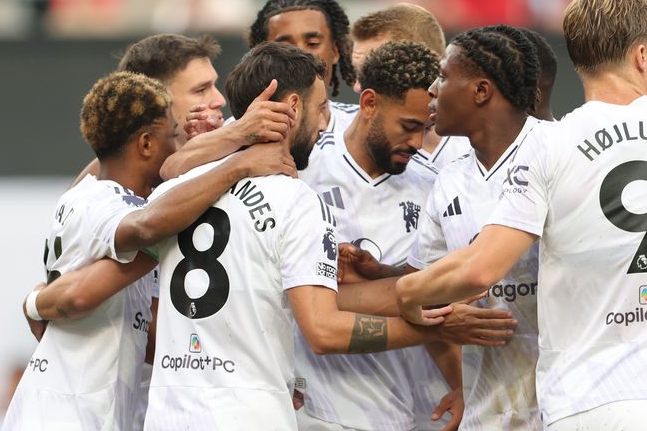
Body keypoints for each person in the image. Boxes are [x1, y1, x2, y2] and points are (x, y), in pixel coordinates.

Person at [395, 0, 647, 431]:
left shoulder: (548, 148)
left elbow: (480, 268)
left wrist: (407, 292)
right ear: (641, 54)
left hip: (578, 402)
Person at [140, 42, 512, 431]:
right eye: (320, 109)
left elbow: (143, 226)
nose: (323, 125)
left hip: (169, 412)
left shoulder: (175, 194)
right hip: (249, 413)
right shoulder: (296, 201)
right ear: (294, 109)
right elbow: (322, 329)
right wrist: (431, 326)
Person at [5, 71, 287, 431]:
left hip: (71, 405)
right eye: (173, 136)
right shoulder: (105, 201)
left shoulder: (87, 195)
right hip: (69, 413)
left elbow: (144, 327)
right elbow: (146, 228)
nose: (179, 147)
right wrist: (238, 164)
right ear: (146, 145)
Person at [295, 40, 459, 431]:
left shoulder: (436, 189)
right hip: (320, 412)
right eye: (408, 127)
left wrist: (460, 382)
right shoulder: (302, 172)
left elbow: (442, 300)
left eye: (426, 128)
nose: (418, 143)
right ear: (369, 103)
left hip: (417, 411)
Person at [410, 24, 544, 430]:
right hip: (487, 413)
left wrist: (404, 295)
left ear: (481, 90)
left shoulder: (557, 152)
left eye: (443, 77)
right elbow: (425, 288)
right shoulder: (449, 179)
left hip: (564, 408)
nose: (432, 90)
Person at [75, 33, 294, 183]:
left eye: (214, 85)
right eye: (200, 90)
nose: (219, 100)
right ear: (154, 101)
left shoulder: (236, 139)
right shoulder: (102, 179)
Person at [350, 3, 470, 170]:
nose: (357, 86)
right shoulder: (332, 136)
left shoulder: (473, 152)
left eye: (376, 68)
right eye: (357, 72)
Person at [248, 0, 358, 133]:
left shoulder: (364, 128)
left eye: (312, 44)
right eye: (285, 47)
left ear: (335, 51)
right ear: (261, 58)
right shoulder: (233, 139)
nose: (301, 56)